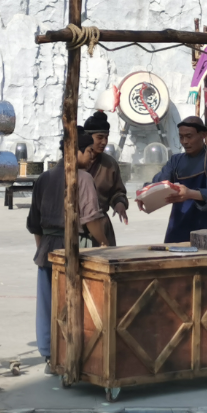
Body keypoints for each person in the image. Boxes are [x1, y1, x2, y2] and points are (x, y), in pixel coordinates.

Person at [27, 129, 109, 372]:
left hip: (47, 250)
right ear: (76, 152)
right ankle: (77, 355)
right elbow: (91, 220)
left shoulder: (44, 178)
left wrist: (44, 250)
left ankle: (49, 354)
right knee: (80, 305)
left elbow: (35, 224)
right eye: (89, 151)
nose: (92, 156)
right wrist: (104, 243)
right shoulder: (83, 178)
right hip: (77, 249)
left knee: (48, 305)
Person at [138, 116, 207, 243]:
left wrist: (190, 193)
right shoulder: (175, 161)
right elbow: (159, 182)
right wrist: (145, 193)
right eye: (181, 137)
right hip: (179, 224)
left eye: (189, 136)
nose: (185, 141)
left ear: (203, 135)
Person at [83, 111, 129, 245]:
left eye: (106, 137)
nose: (104, 142)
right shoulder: (72, 162)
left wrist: (119, 203)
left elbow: (117, 192)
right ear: (88, 138)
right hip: (76, 226)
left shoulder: (110, 164)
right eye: (100, 137)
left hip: (101, 224)